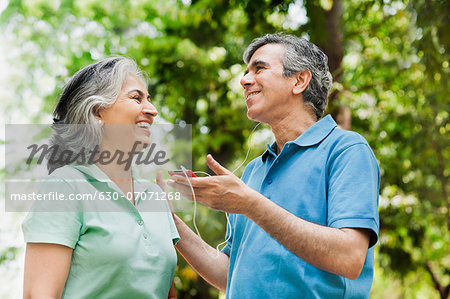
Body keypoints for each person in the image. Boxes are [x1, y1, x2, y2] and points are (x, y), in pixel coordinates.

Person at [168, 33, 380, 298]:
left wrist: (249, 204)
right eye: (246, 72)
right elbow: (228, 274)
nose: (244, 80)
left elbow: (349, 257)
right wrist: (168, 220)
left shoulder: (346, 150)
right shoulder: (253, 171)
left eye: (259, 68)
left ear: (300, 80)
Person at [22, 57, 179, 299]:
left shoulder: (155, 197)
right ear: (97, 112)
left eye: (149, 99)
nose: (152, 110)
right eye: (137, 98)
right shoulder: (65, 186)